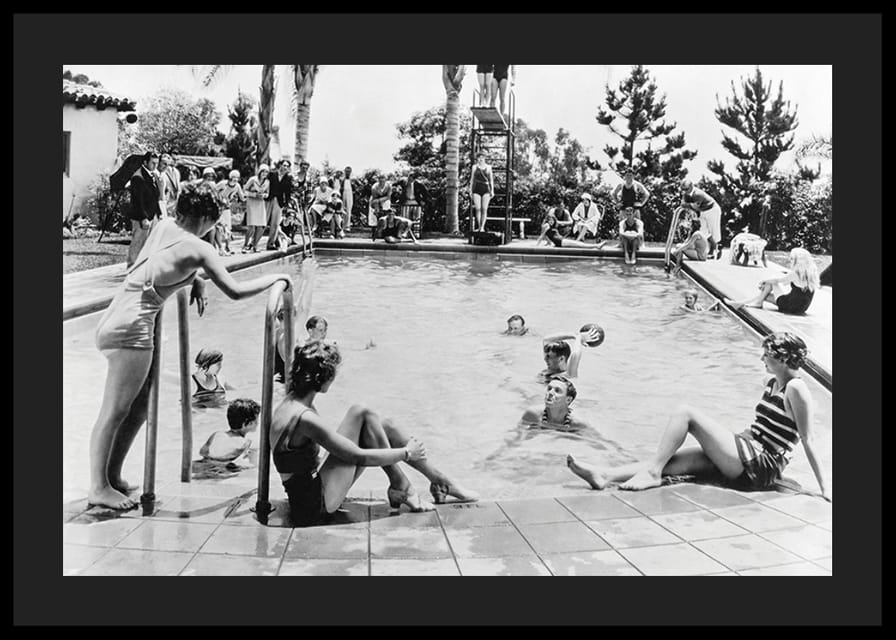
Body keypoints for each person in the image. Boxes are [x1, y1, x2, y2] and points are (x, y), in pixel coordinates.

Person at [88, 182, 293, 509]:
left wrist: (195, 280)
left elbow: (160, 264)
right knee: (114, 411)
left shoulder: (164, 227)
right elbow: (236, 291)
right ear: (208, 217)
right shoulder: (200, 248)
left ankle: (112, 477)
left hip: (115, 319)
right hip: (134, 330)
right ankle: (98, 487)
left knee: (138, 408)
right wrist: (278, 279)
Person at [567, 332, 831, 502]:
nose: (762, 358)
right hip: (746, 452)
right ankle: (604, 475)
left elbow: (807, 440)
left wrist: (825, 489)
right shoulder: (772, 381)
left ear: (784, 359)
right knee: (671, 461)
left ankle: (652, 472)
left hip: (760, 465)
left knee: (686, 412)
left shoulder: (796, 389)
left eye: (768, 355)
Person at [269, 341, 479, 526]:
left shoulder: (290, 402)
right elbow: (358, 456)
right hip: (313, 506)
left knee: (384, 425)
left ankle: (439, 482)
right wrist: (407, 452)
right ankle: (403, 487)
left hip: (310, 488)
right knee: (363, 413)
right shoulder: (305, 418)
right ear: (322, 378)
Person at [726, 248, 820, 315]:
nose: (789, 261)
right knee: (764, 295)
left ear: (798, 261)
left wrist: (764, 281)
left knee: (770, 283)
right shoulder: (812, 274)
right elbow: (787, 284)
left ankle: (750, 303)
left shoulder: (795, 273)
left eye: (791, 259)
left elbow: (778, 281)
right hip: (801, 308)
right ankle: (741, 303)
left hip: (789, 307)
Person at [126, 151, 163, 268]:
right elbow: (138, 200)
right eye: (153, 163)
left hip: (152, 214)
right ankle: (132, 267)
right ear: (145, 162)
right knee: (138, 243)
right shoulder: (138, 177)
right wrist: (143, 218)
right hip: (141, 216)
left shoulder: (153, 175)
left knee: (150, 243)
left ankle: (145, 267)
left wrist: (159, 213)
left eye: (157, 163)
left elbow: (155, 196)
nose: (155, 166)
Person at [520, 375, 592, 432]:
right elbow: (517, 435)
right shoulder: (533, 415)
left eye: (557, 391)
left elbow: (596, 443)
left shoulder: (578, 423)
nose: (550, 393)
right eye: (549, 389)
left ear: (568, 400)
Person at [198, 398, 261, 464]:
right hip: (222, 470)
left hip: (203, 464)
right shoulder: (246, 443)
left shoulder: (216, 435)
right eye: (256, 420)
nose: (257, 422)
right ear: (246, 424)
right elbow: (253, 464)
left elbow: (202, 452)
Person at [538, 326, 602, 382]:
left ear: (561, 358)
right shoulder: (550, 368)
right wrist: (574, 335)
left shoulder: (568, 375)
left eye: (549, 356)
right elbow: (546, 340)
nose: (545, 358)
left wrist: (579, 338)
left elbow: (575, 355)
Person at [680, 179, 723, 259]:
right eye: (683, 189)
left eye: (686, 189)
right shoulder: (686, 194)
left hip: (712, 210)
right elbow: (683, 203)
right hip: (703, 211)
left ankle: (717, 248)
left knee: (714, 230)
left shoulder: (698, 193)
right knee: (703, 231)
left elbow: (695, 206)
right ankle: (713, 247)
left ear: (691, 186)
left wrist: (686, 205)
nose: (685, 191)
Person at [216, 170, 246, 256]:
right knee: (219, 227)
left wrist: (250, 195)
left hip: (227, 209)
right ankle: (220, 247)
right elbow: (214, 190)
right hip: (219, 208)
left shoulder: (237, 186)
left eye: (237, 177)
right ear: (230, 177)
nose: (235, 179)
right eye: (233, 177)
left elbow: (242, 197)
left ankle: (227, 246)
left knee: (228, 228)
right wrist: (219, 199)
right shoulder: (223, 184)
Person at [265, 159, 294, 250]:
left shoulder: (288, 178)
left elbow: (288, 192)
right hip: (269, 199)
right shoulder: (272, 174)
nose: (285, 167)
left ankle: (271, 243)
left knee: (275, 223)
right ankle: (254, 242)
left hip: (279, 201)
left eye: (287, 166)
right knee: (263, 221)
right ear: (280, 165)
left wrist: (287, 203)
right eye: (284, 165)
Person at [243, 164, 270, 252]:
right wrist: (254, 195)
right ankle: (245, 245)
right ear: (260, 171)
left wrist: (263, 195)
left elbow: (267, 194)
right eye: (263, 171)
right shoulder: (253, 179)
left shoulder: (267, 182)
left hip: (260, 203)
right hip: (251, 203)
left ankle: (255, 245)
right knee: (251, 226)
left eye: (266, 172)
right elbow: (245, 190)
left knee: (261, 225)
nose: (264, 173)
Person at [469, 153, 494, 233]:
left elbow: (491, 180)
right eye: (479, 158)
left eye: (482, 158)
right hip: (477, 188)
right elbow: (472, 179)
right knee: (478, 208)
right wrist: (470, 190)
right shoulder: (474, 167)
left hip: (486, 189)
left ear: (484, 158)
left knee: (484, 209)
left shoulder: (488, 167)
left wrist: (492, 190)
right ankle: (479, 226)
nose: (480, 159)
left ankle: (482, 227)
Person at [399, 172, 429, 238]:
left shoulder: (419, 184)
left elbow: (426, 193)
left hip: (416, 202)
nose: (409, 179)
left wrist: (423, 201)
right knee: (404, 218)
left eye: (411, 177)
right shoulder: (404, 183)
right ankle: (405, 232)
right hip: (406, 202)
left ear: (414, 178)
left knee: (417, 218)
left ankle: (416, 233)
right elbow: (396, 186)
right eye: (409, 177)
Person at [157, 153, 181, 219]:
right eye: (174, 159)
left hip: (173, 206)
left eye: (177, 160)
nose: (175, 162)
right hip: (162, 204)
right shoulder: (160, 173)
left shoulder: (176, 172)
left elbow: (178, 188)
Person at [341, 166, 354, 232]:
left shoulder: (352, 180)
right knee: (343, 209)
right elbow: (341, 188)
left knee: (349, 209)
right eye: (346, 171)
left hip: (350, 194)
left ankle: (348, 226)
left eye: (349, 171)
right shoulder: (342, 180)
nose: (347, 173)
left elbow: (354, 188)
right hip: (344, 194)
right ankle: (343, 224)